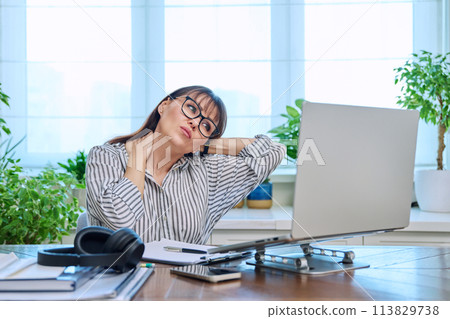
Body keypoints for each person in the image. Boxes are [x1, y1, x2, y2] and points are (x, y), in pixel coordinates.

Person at [86, 85, 286, 244]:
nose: (195, 123)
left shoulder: (206, 173)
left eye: (206, 125)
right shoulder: (106, 157)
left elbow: (273, 151)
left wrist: (203, 143)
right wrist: (137, 159)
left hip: (186, 289)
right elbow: (120, 220)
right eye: (191, 108)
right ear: (164, 105)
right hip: (122, 288)